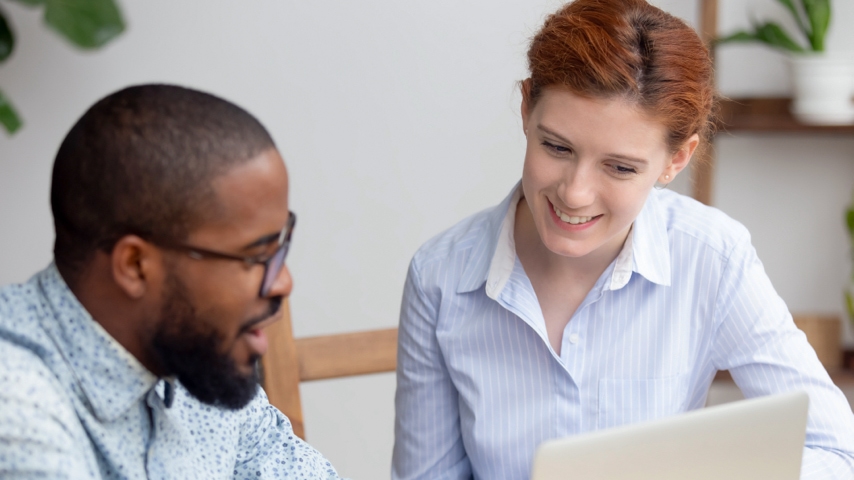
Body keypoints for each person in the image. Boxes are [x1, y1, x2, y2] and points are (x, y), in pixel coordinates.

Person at [392, 1, 854, 479]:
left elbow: (836, 452)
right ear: (527, 107)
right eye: (557, 146)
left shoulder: (712, 258)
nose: (574, 193)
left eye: (620, 167)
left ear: (676, 160)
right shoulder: (440, 278)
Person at [0, 84, 343, 479]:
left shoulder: (196, 360)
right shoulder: (18, 404)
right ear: (135, 266)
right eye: (255, 256)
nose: (283, 282)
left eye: (281, 247)